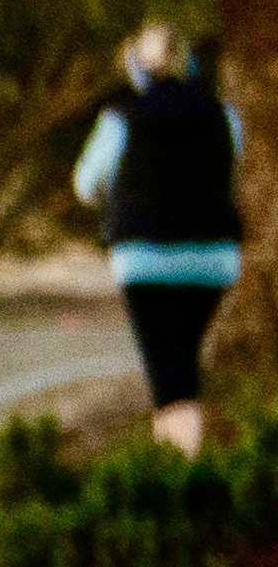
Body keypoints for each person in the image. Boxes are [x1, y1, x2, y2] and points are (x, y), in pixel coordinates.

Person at [75, 24, 244, 454]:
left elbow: (86, 183)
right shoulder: (223, 115)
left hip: (143, 257)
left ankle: (177, 465)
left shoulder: (121, 117)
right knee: (183, 358)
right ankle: (182, 453)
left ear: (136, 68)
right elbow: (232, 165)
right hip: (213, 257)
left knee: (165, 370)